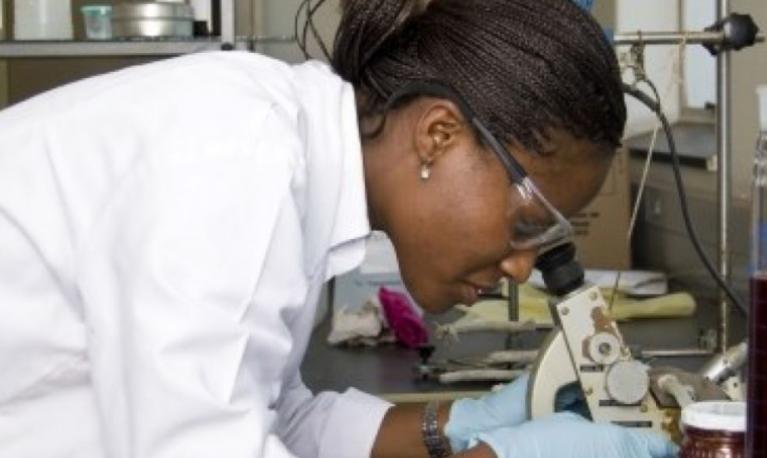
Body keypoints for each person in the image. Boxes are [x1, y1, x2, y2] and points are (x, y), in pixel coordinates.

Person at [0, 0, 677, 457]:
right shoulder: (233, 159)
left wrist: (458, 426)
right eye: (526, 223)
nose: (521, 268)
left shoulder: (282, 154)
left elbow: (270, 415)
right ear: (438, 134)